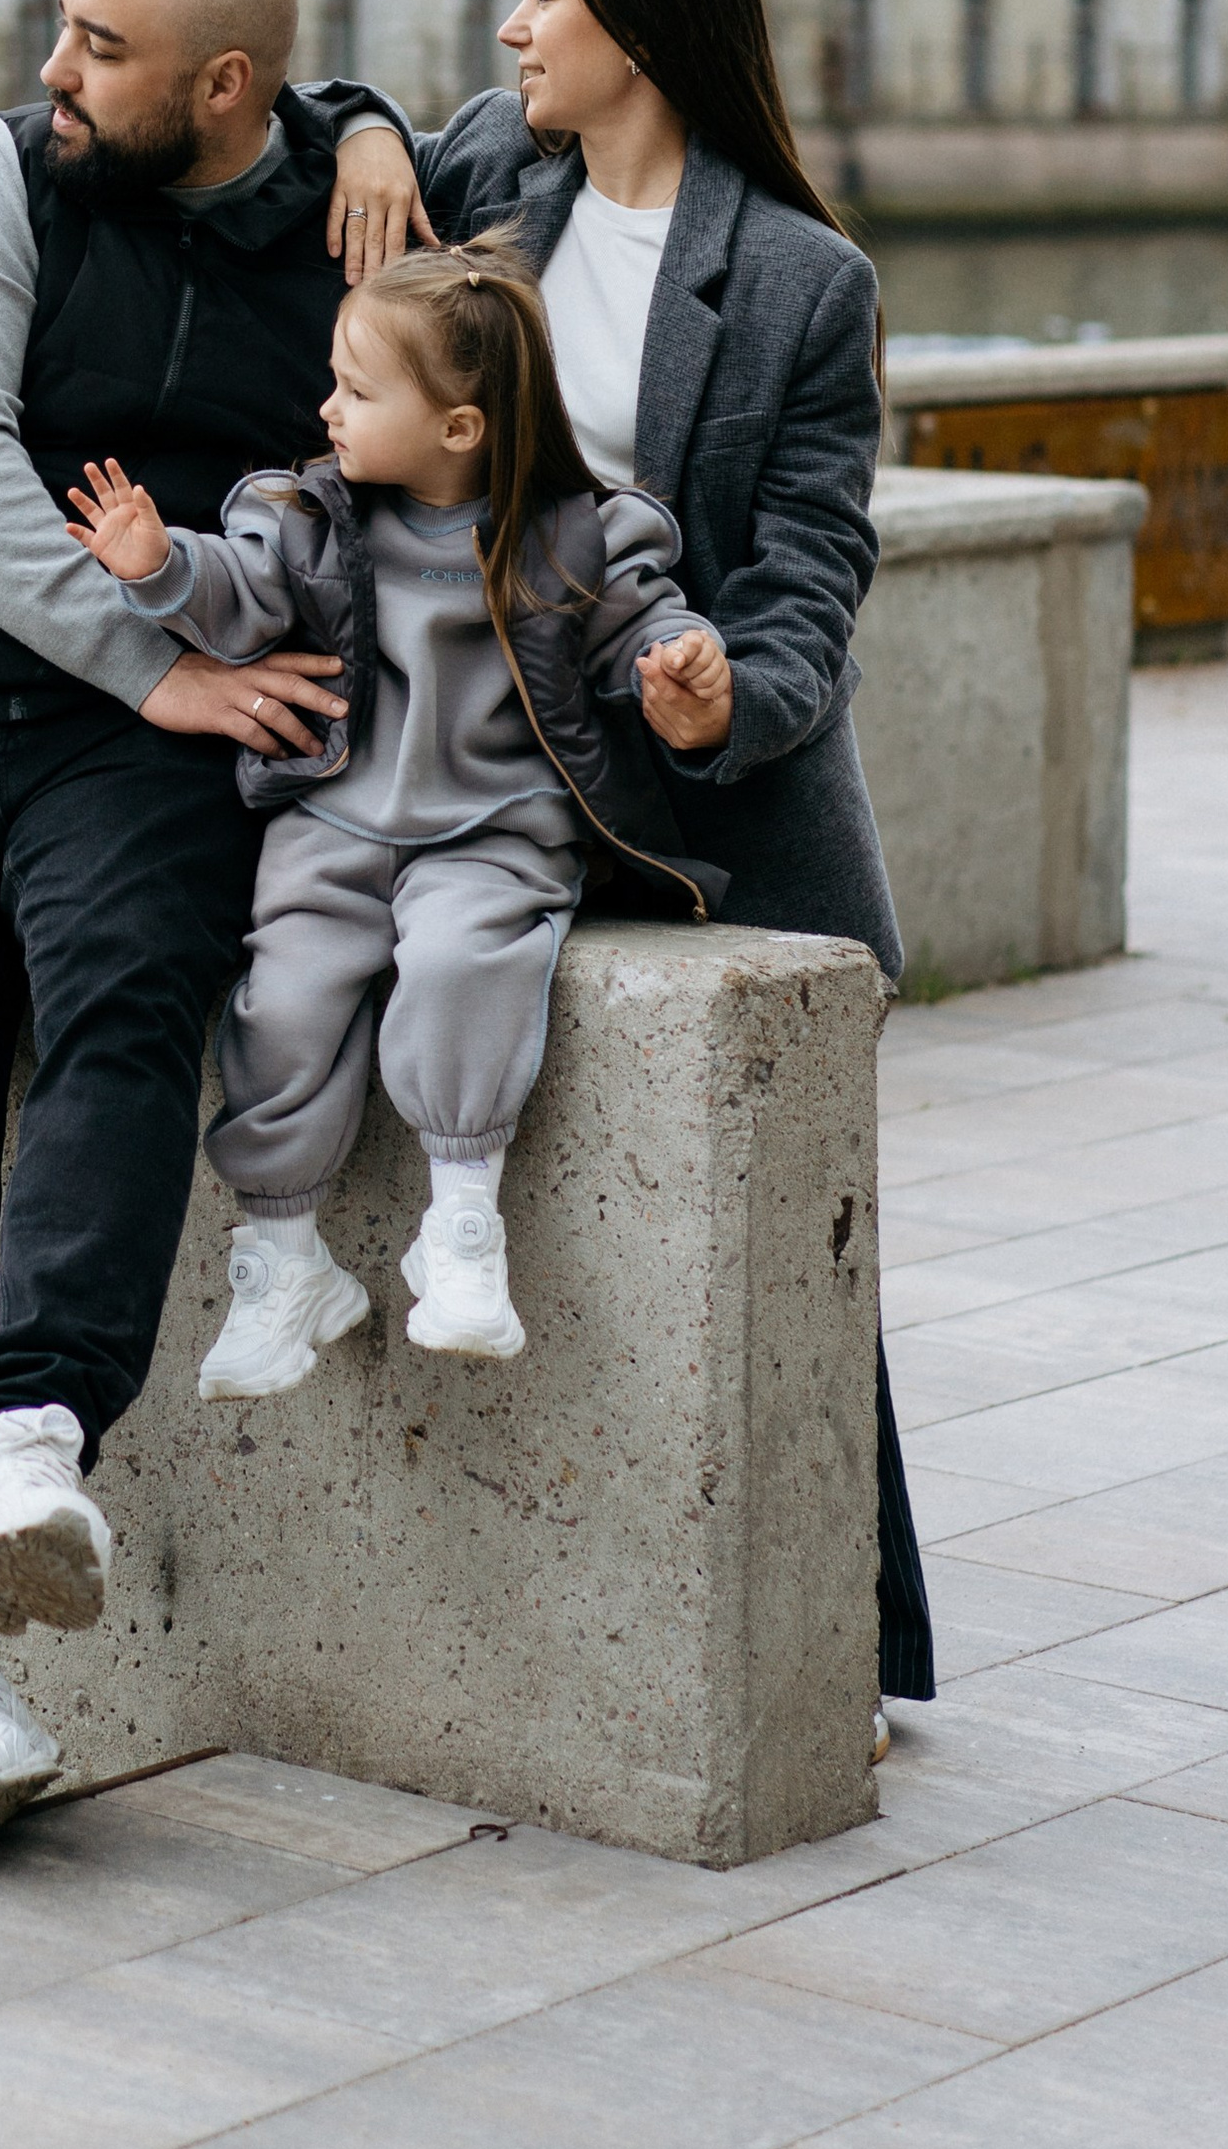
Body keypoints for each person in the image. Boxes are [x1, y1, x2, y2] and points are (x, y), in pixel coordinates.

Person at [0, 0, 405, 1862]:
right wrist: (159, 661)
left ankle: (33, 1432)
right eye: (57, 27)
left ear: (224, 89)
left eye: (95, 46)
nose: (52, 71)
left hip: (120, 743)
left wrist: (370, 121)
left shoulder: (347, 219)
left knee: (133, 1001)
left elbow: (504, 164)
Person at [330, 0, 937, 1735]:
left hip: (712, 830)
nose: (512, 35)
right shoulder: (489, 177)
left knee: (789, 1274)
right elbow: (297, 127)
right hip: (485, 797)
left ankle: (845, 1646)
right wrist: (356, 126)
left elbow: (819, 570)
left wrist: (724, 694)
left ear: (639, 34)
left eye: (539, 1)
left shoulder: (803, 283)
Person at [63, 233, 731, 1391]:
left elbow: (647, 626)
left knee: (471, 962)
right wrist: (159, 563)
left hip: (496, 827)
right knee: (284, 997)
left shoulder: (574, 535)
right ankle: (282, 1256)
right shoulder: (314, 520)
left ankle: (463, 1223)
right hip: (333, 822)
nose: (326, 410)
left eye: (358, 391)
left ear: (459, 429)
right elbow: (237, 593)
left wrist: (686, 661)